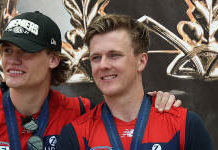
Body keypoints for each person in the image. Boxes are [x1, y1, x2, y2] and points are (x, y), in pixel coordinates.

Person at [0, 11, 181, 150]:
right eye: (7, 50)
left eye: (26, 51)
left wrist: (157, 101)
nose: (13, 60)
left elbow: (128, 109)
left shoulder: (81, 111)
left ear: (53, 59)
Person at [58, 14, 213, 150]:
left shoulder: (185, 125)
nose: (103, 65)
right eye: (96, 57)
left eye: (114, 55)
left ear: (141, 61)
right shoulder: (75, 134)